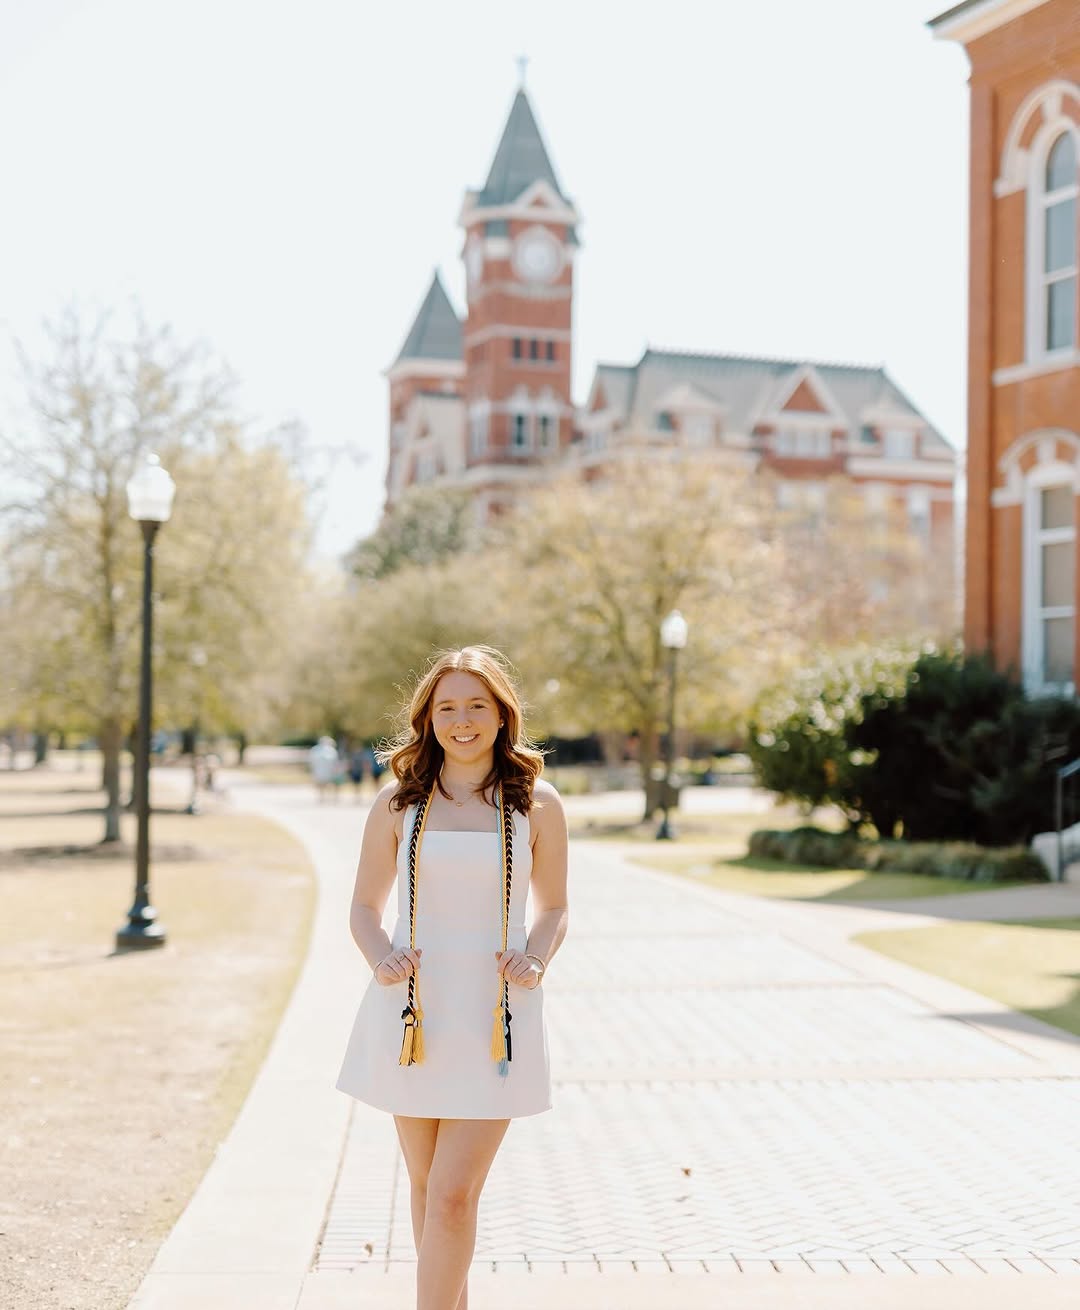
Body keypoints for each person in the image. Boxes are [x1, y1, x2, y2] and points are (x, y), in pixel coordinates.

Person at [335, 646, 569, 1310]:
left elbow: (554, 908)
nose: (461, 721)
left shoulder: (536, 803)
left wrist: (536, 958)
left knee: (452, 1194)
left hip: (495, 1020)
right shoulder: (398, 802)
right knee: (427, 1187)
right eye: (446, 708)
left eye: (476, 706)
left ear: (502, 715)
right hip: (415, 1017)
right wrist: (380, 958)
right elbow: (363, 909)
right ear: (428, 718)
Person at [308, 735, 340, 803]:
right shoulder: (331, 751)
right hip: (325, 770)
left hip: (322, 770)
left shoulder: (316, 750)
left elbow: (311, 761)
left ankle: (323, 797)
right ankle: (324, 797)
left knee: (322, 784)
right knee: (325, 784)